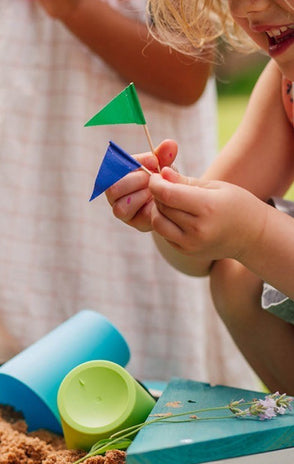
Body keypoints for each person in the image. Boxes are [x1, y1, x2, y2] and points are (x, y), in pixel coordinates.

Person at [0, 0, 259, 388]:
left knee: (129, 398)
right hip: (8, 180)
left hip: (120, 191)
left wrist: (73, 8)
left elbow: (187, 75)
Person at [104, 0, 294, 393]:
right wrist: (171, 213)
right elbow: (201, 260)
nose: (251, 9)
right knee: (236, 272)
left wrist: (254, 232)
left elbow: (249, 230)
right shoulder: (286, 85)